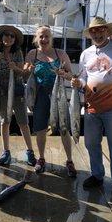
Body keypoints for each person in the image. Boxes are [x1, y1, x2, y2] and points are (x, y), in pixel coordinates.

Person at [71, 16, 112, 198]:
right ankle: (97, 175)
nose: (97, 33)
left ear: (107, 31)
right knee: (91, 144)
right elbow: (84, 77)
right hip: (91, 107)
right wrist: (79, 83)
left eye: (100, 29)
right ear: (90, 33)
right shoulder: (86, 54)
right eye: (93, 30)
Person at [24, 25, 77, 176]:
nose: (44, 39)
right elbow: (25, 75)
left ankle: (69, 160)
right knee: (40, 129)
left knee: (64, 128)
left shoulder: (60, 54)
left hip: (58, 95)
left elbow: (71, 75)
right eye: (41, 36)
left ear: (51, 38)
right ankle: (41, 158)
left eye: (47, 36)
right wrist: (28, 70)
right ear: (36, 38)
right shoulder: (32, 54)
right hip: (39, 95)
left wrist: (63, 73)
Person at [0, 25, 37, 166]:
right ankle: (6, 151)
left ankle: (30, 151)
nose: (8, 38)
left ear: (15, 39)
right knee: (5, 122)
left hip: (17, 90)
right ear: (1, 37)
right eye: (6, 35)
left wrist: (14, 67)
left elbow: (23, 73)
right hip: (0, 91)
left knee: (23, 123)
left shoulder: (18, 52)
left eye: (12, 36)